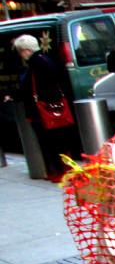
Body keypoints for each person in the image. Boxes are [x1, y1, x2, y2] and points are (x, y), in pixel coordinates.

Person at [11, 34, 75, 182]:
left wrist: (16, 95)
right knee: (55, 140)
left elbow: (34, 86)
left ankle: (63, 169)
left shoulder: (37, 63)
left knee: (52, 141)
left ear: (26, 49)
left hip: (42, 109)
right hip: (48, 106)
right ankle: (60, 169)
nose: (20, 54)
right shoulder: (44, 59)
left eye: (20, 51)